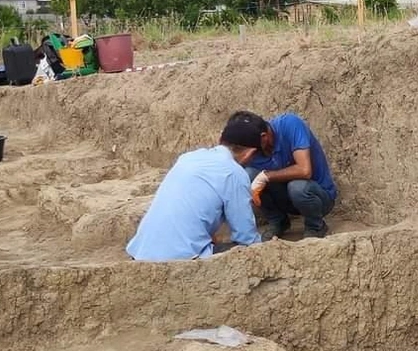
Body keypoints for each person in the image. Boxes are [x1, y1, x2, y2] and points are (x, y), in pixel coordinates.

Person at [126, 112, 263, 261]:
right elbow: (247, 238)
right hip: (181, 260)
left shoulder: (188, 158)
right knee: (247, 255)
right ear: (250, 153)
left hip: (139, 255)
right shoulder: (234, 173)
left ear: (221, 140)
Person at [243, 112, 337, 239]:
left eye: (250, 147)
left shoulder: (289, 124)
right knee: (248, 175)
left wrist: (266, 176)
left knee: (297, 186)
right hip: (287, 199)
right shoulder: (252, 150)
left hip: (318, 198)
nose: (248, 152)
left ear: (264, 137)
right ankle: (278, 222)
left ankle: (315, 226)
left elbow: (305, 171)